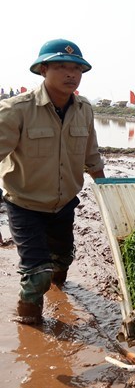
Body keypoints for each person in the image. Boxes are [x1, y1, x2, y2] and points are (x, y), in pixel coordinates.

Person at [0, 38, 106, 324]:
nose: (71, 74)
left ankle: (59, 288)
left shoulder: (84, 109)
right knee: (37, 275)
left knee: (61, 263)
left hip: (64, 204)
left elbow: (91, 155)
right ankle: (30, 323)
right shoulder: (16, 110)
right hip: (25, 205)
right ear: (43, 69)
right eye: (61, 67)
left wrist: (109, 195)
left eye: (77, 69)